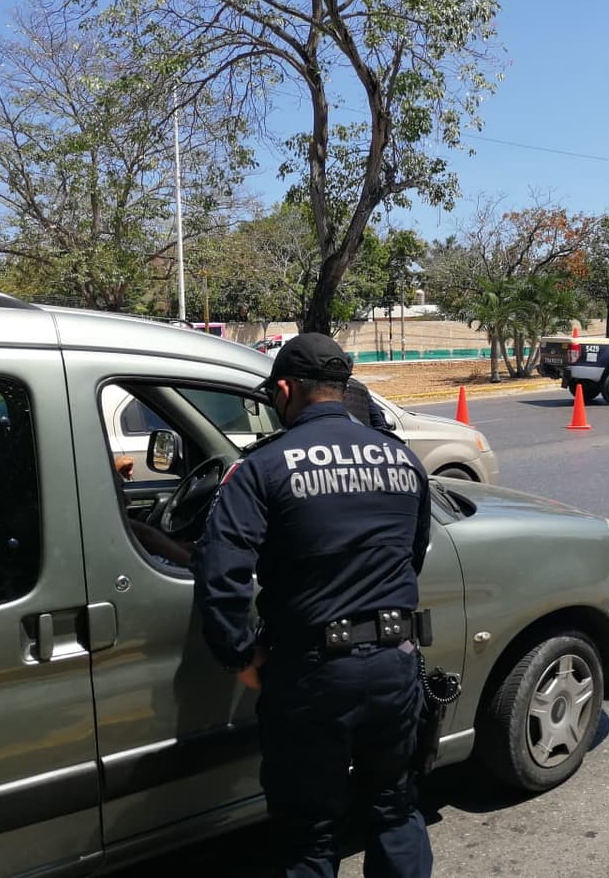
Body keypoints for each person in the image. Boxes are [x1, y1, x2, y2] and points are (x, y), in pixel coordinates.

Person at [193, 332, 433, 878]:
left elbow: (220, 573)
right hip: (397, 662)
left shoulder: (261, 468)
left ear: (284, 390)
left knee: (308, 832)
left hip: (310, 676)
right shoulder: (402, 460)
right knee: (395, 809)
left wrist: (239, 656)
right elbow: (411, 557)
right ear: (341, 387)